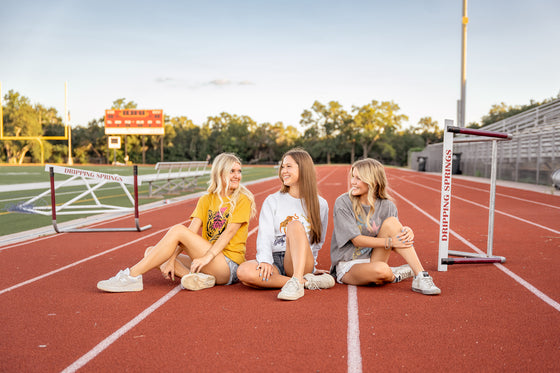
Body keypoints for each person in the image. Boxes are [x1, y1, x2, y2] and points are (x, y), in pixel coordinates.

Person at [97, 153, 256, 292]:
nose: (237, 175)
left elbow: (228, 234)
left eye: (239, 171)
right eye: (232, 171)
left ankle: (131, 276)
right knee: (151, 252)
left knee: (177, 231)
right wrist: (171, 260)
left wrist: (206, 258)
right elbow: (191, 231)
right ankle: (197, 280)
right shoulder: (206, 199)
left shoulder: (243, 199)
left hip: (228, 265)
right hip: (209, 263)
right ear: (219, 173)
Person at [330, 158, 441, 295]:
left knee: (392, 223)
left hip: (375, 258)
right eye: (353, 176)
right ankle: (395, 274)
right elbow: (356, 240)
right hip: (349, 264)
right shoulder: (343, 202)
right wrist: (390, 241)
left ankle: (420, 276)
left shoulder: (388, 206)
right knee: (382, 270)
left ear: (373, 181)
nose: (352, 182)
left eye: (358, 178)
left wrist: (406, 232)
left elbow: (395, 240)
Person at [237, 148, 335, 301]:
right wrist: (265, 260)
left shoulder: (320, 204)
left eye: (289, 166)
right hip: (275, 260)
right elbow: (265, 235)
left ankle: (297, 278)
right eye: (282, 167)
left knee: (294, 225)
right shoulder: (272, 200)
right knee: (244, 272)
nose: (284, 171)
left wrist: (311, 266)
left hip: (299, 260)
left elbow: (317, 241)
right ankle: (304, 282)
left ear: (303, 169)